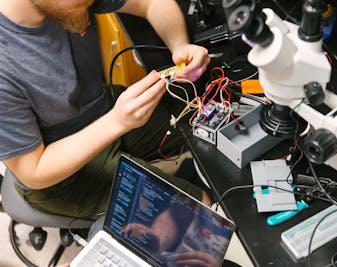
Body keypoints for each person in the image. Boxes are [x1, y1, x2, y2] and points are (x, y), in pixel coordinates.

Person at [0, 0, 211, 221]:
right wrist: (117, 122)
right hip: (60, 172)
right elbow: (33, 172)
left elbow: (151, 3)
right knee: (200, 212)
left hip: (103, 108)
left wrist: (179, 45)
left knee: (203, 128)